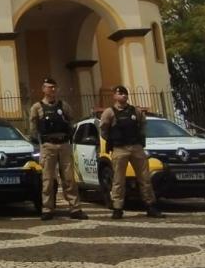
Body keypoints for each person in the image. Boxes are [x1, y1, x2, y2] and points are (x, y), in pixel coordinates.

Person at [99, 85, 164, 219]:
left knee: (145, 178)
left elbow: (143, 125)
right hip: (119, 148)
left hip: (136, 147)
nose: (123, 95)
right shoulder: (109, 112)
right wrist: (112, 140)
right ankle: (117, 207)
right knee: (118, 179)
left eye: (125, 93)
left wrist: (140, 139)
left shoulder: (136, 111)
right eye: (120, 93)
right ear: (114, 96)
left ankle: (150, 205)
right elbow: (104, 129)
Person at [29, 78, 88, 221]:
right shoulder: (37, 107)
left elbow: (71, 120)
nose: (52, 90)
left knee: (69, 179)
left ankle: (75, 208)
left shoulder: (64, 106)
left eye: (54, 87)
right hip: (48, 145)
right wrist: (39, 143)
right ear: (43, 89)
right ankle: (47, 209)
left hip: (64, 145)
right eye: (49, 87)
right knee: (48, 179)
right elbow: (33, 127)